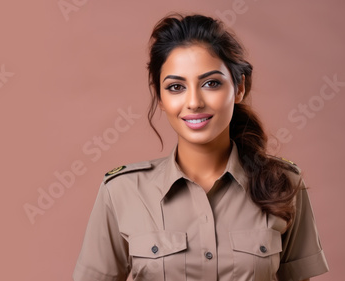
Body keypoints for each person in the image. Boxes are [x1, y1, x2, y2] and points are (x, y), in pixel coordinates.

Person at [73, 12, 329, 281]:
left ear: (239, 87)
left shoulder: (284, 183)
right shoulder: (121, 192)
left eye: (211, 83)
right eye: (175, 87)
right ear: (159, 96)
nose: (194, 102)